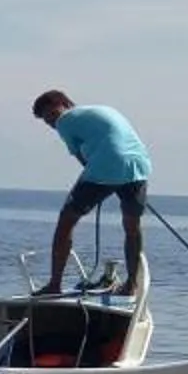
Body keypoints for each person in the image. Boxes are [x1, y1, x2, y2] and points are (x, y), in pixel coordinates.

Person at [31, 90, 150, 295]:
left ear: (65, 104)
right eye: (46, 120)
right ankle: (131, 285)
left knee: (66, 219)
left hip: (106, 167)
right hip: (138, 167)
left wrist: (96, 180)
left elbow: (83, 161)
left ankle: (54, 284)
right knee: (132, 226)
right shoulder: (104, 109)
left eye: (51, 115)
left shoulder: (65, 121)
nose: (52, 122)